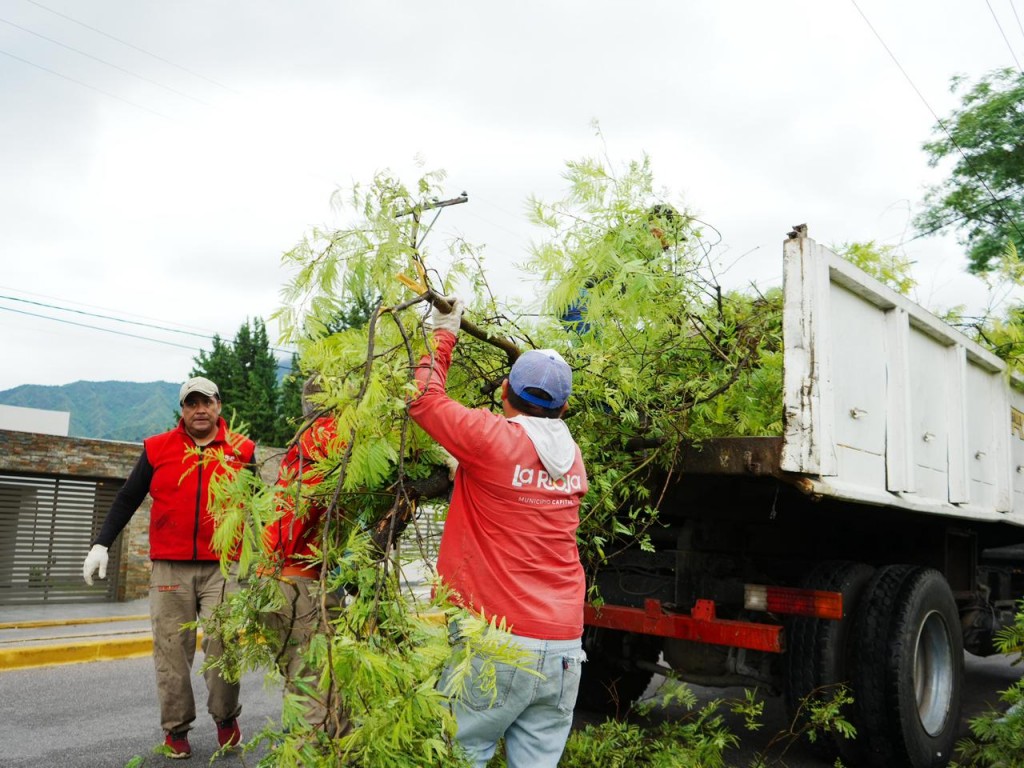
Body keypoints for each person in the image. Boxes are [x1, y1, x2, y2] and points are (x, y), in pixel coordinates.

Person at [408, 300, 589, 768]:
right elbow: (521, 486)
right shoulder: (573, 458)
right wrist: (469, 471)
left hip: (498, 639)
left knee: (461, 756)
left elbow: (423, 398)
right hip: (564, 647)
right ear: (565, 407)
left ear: (504, 391)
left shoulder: (492, 438)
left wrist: (443, 333)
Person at [82, 376, 256, 760]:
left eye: (206, 402)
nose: (199, 409)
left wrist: (266, 559)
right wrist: (100, 544)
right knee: (171, 651)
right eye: (191, 403)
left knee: (223, 644)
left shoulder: (242, 450)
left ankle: (226, 717)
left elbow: (259, 506)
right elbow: (128, 497)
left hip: (223, 568)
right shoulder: (158, 448)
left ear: (218, 406)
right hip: (169, 570)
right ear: (182, 410)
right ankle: (176, 729)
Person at [261, 375, 351, 737]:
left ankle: (334, 753)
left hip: (281, 578)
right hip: (300, 582)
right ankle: (309, 756)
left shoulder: (302, 444)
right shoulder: (326, 435)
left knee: (312, 682)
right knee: (314, 687)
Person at [560, 203, 683, 335]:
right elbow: (650, 287)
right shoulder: (637, 241)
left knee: (598, 344)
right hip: (579, 298)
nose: (669, 243)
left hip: (576, 298)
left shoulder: (629, 235)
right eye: (670, 234)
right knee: (592, 346)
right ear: (657, 225)